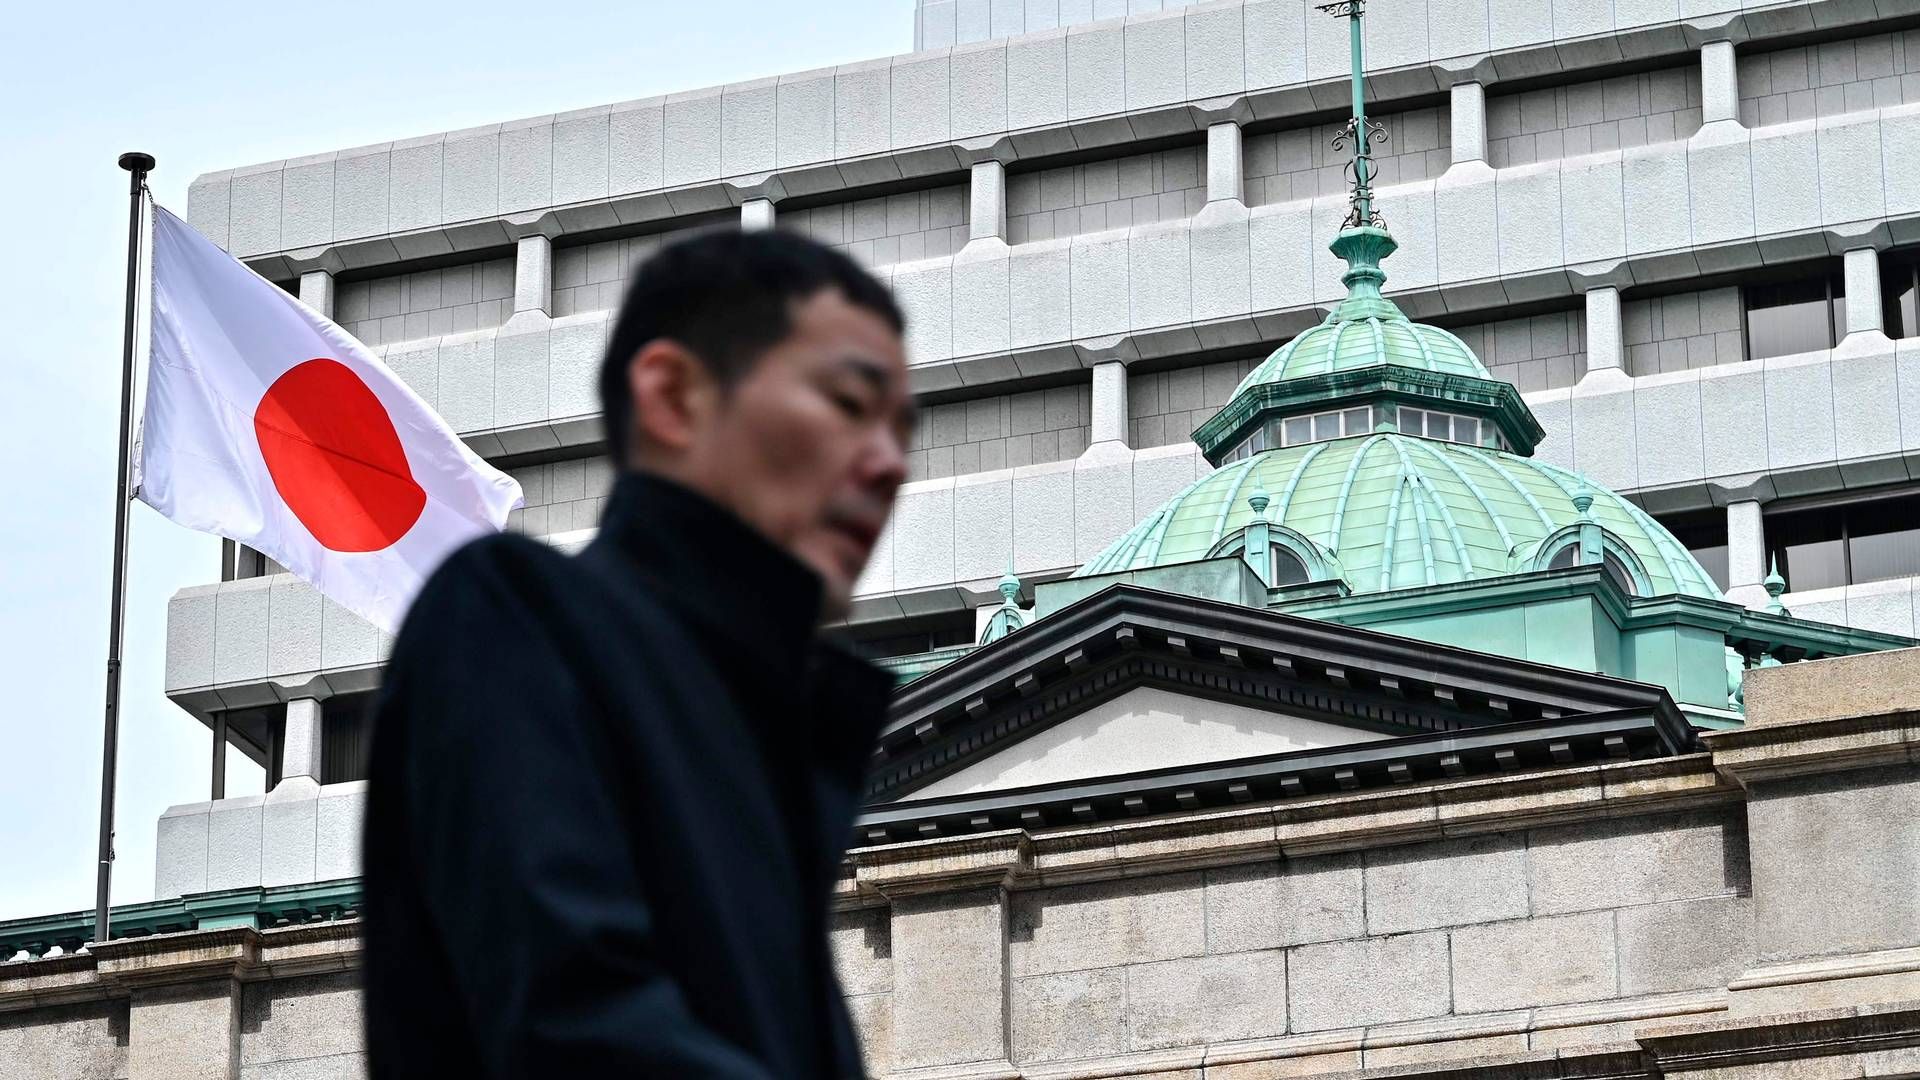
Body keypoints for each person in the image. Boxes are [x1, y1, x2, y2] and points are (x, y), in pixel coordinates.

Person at [361, 229, 915, 1079]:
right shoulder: (515, 614)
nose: (889, 465)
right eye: (848, 404)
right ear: (673, 395)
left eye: (901, 430)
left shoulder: (762, 750)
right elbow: (577, 1028)